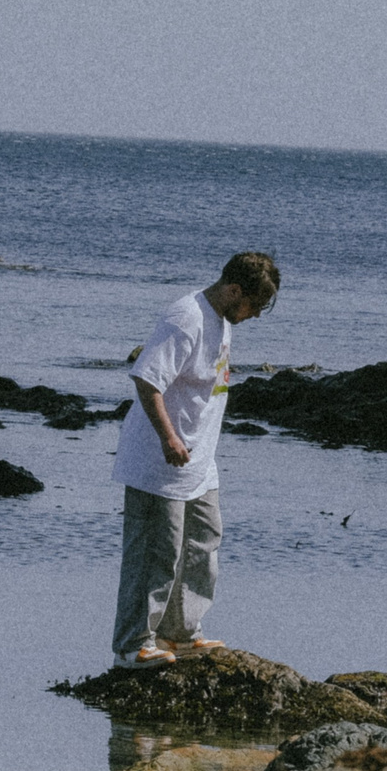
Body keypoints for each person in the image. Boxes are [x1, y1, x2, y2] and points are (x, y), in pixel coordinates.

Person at [110, 251, 279, 668]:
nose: (255, 315)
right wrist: (169, 438)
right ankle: (132, 646)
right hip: (159, 461)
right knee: (156, 552)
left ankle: (180, 633)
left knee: (204, 543)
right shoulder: (186, 316)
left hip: (201, 464)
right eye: (254, 305)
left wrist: (198, 452)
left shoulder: (222, 319)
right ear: (234, 290)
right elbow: (147, 380)